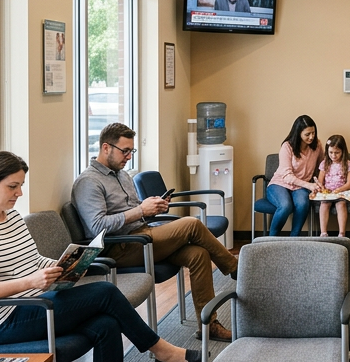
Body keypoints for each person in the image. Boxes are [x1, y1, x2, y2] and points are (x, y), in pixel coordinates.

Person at [0, 151, 200, 362]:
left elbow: (33, 261)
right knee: (105, 292)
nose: (19, 194)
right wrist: (31, 282)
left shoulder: (11, 217)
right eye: (12, 187)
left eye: (21, 186)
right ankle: (160, 351)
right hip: (2, 322)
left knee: (105, 325)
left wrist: (65, 265)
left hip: (35, 303)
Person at [71, 123, 239, 342]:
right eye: (125, 151)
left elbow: (134, 212)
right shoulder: (88, 182)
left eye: (132, 151)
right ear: (106, 148)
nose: (129, 157)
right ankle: (236, 269)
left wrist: (151, 208)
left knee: (198, 254)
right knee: (191, 224)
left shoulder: (122, 175)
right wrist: (140, 210)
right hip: (118, 248)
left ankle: (209, 326)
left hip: (142, 235)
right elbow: (97, 227)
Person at [268, 115, 324, 236]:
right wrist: (309, 185)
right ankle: (271, 239)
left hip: (300, 187)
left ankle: (294, 239)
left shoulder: (317, 146)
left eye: (313, 133)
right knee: (285, 206)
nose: (311, 137)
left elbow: (321, 167)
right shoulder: (287, 147)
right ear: (298, 133)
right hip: (280, 183)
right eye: (307, 134)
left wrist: (318, 181)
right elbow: (287, 176)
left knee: (303, 204)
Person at [314, 135, 350, 237]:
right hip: (328, 192)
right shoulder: (324, 164)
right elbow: (320, 181)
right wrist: (322, 188)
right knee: (324, 204)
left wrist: (339, 190)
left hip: (341, 192)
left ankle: (342, 233)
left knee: (341, 204)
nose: (333, 155)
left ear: (343, 151)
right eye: (331, 152)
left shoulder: (348, 164)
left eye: (337, 153)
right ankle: (323, 232)